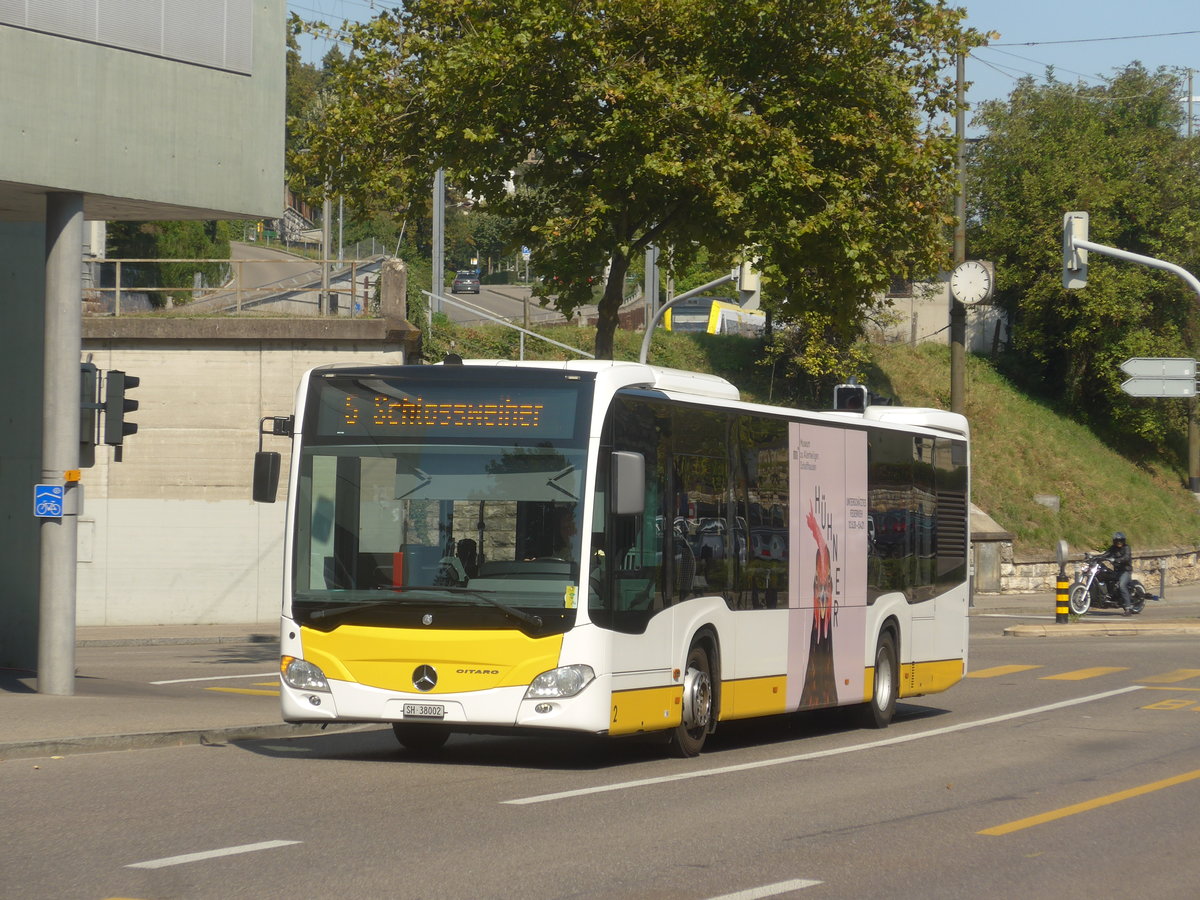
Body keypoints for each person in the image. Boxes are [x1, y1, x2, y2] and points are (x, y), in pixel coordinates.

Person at [1100, 531, 1133, 615]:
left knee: (1122, 585)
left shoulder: (1126, 548)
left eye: (1121, 541)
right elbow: (1105, 555)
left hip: (1125, 571)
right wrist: (1094, 557)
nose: (1119, 543)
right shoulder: (1113, 548)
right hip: (1117, 571)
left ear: (1123, 541)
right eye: (1117, 541)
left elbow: (1126, 557)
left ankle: (1128, 608)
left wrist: (1117, 560)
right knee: (1105, 577)